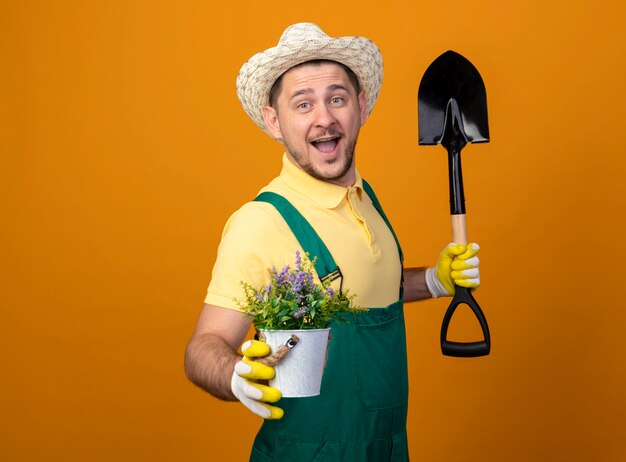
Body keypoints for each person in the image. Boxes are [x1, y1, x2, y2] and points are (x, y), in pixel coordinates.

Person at [185, 23, 481, 461]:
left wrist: (434, 281)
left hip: (388, 449)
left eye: (336, 98)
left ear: (360, 107)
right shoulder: (261, 222)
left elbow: (374, 289)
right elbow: (203, 346)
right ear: (274, 121)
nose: (324, 118)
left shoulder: (366, 200)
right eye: (303, 104)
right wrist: (235, 374)